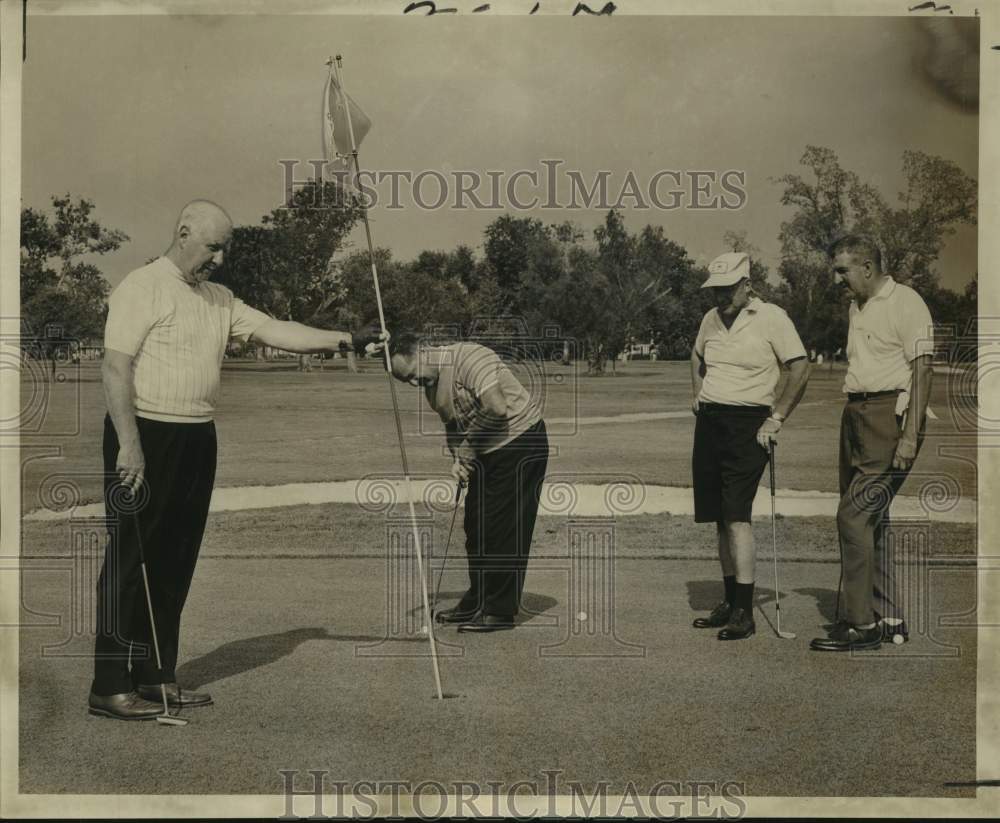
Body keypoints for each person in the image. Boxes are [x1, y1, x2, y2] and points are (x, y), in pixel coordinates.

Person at [90, 200, 364, 721]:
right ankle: (108, 683)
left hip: (197, 439)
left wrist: (349, 338)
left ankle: (155, 677)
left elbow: (277, 330)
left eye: (225, 249)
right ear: (184, 231)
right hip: (146, 434)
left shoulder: (219, 298)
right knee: (131, 561)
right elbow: (115, 367)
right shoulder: (141, 286)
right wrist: (129, 443)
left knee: (175, 562)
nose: (219, 257)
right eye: (213, 246)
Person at [809, 235, 934, 652]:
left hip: (889, 418)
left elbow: (923, 371)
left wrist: (910, 436)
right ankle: (889, 616)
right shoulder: (856, 306)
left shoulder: (907, 302)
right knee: (873, 517)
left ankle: (860, 625)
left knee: (853, 516)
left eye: (842, 270)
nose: (837, 278)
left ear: (867, 266)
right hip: (856, 413)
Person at [385, 333, 548, 633]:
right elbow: (453, 425)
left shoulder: (470, 357)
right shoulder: (432, 388)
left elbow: (497, 408)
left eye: (412, 374)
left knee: (502, 527)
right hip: (487, 448)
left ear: (426, 351)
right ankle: (477, 601)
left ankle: (499, 612)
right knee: (476, 526)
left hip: (522, 442)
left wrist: (468, 448)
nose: (412, 383)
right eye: (404, 380)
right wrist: (458, 461)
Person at [690, 252, 810, 640]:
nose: (720, 296)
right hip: (710, 422)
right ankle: (729, 599)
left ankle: (745, 611)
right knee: (719, 517)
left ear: (747, 285)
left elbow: (800, 366)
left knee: (737, 514)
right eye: (715, 289)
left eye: (727, 289)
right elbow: (696, 356)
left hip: (749, 424)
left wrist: (776, 418)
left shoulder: (772, 317)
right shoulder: (710, 319)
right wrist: (698, 393)